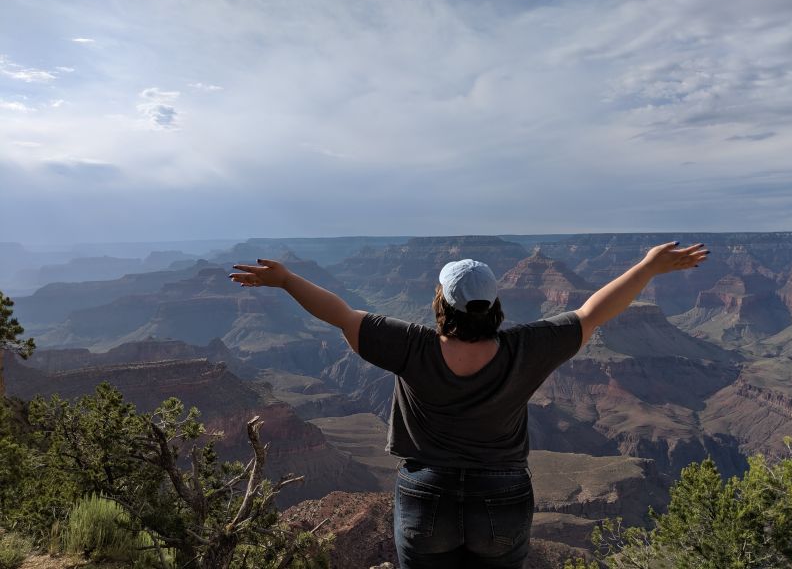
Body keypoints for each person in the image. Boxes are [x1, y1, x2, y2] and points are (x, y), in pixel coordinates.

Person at [230, 241, 709, 568]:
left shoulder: (410, 347)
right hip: (502, 494)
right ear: (495, 304)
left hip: (426, 493)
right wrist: (648, 266)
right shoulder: (528, 348)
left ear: (442, 302)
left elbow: (339, 314)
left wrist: (287, 279)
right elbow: (593, 312)